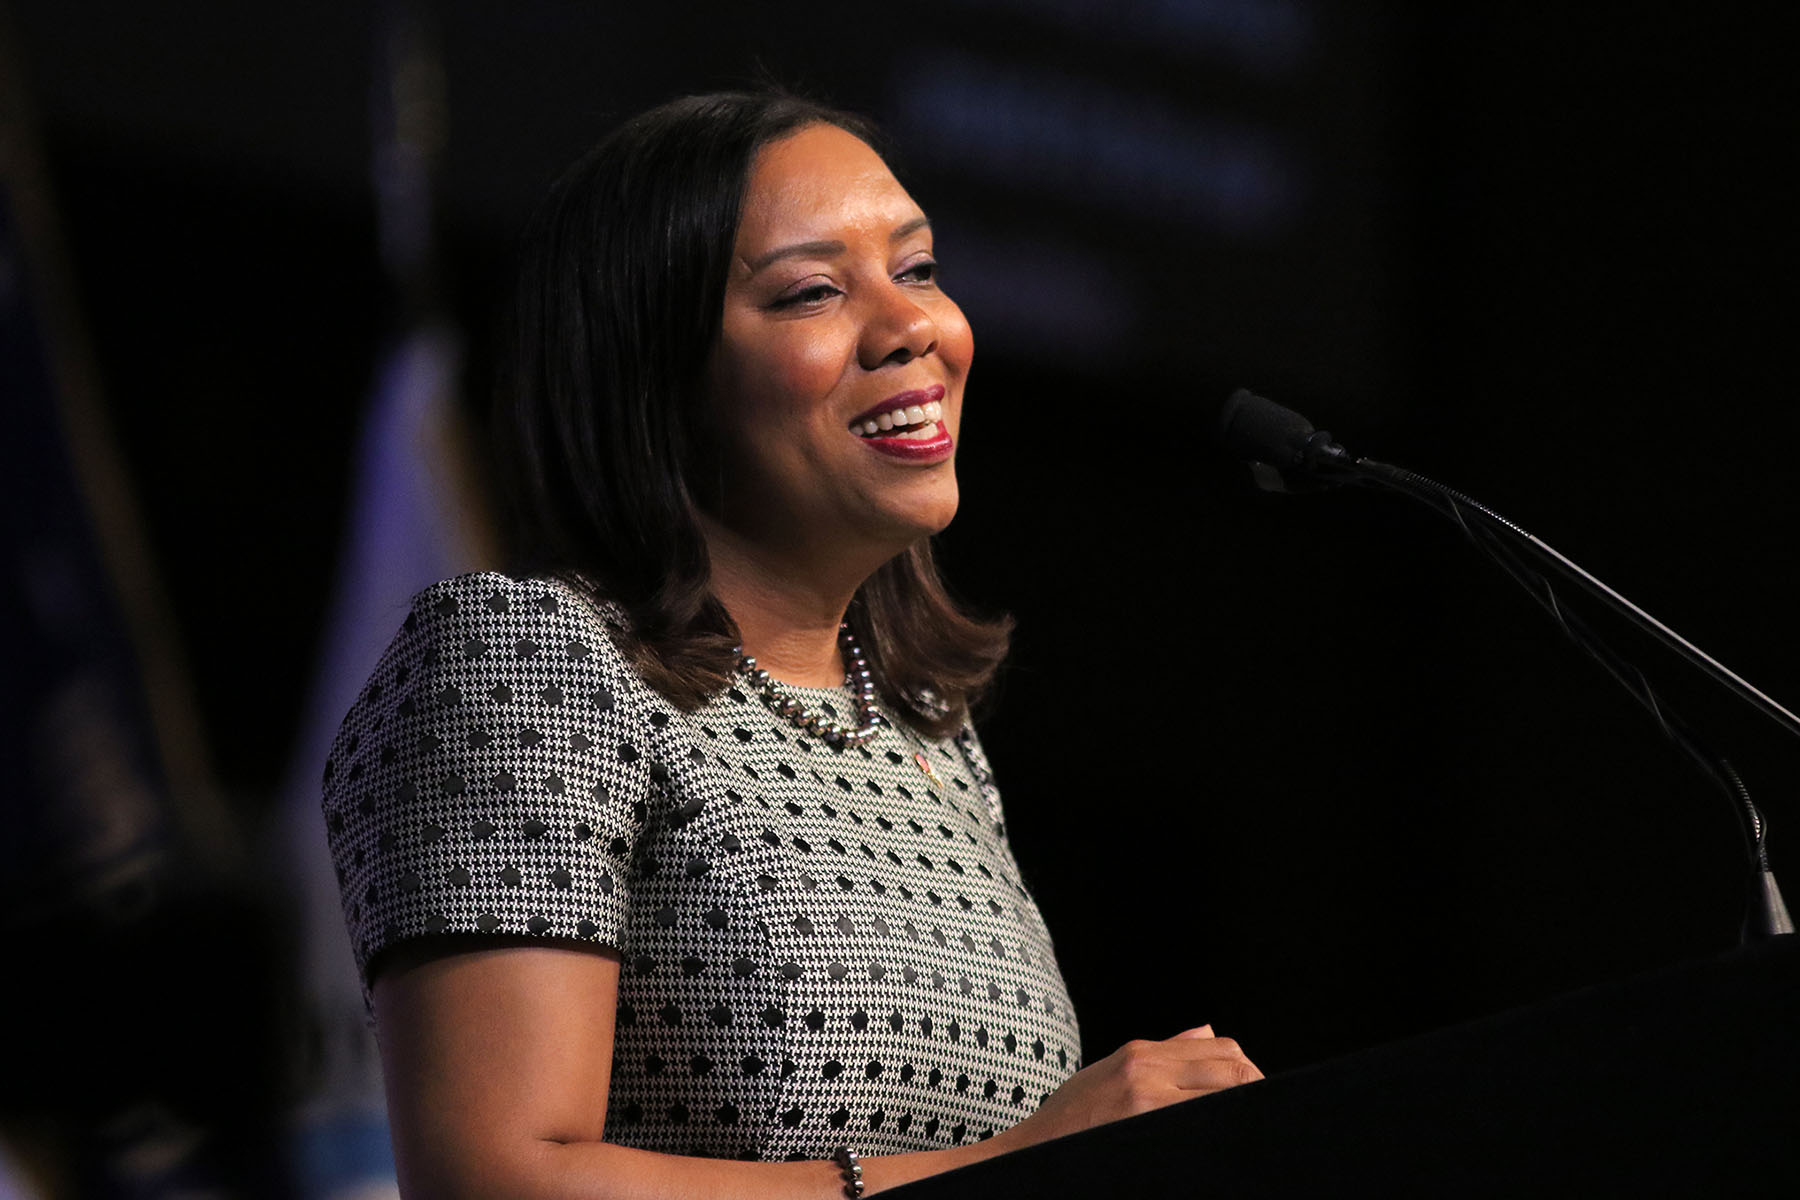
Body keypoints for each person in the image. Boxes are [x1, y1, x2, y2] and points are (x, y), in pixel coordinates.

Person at [321, 90, 1263, 1198]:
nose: (912, 324)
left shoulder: (925, 730)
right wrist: (1013, 1163)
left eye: (916, 270)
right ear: (659, 376)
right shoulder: (527, 660)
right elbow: (498, 1178)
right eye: (814, 291)